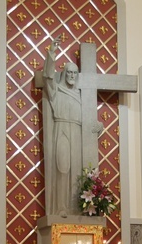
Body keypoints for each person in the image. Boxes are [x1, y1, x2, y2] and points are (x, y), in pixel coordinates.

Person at [43, 38, 101, 216]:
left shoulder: (82, 97)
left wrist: (98, 127)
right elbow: (47, 77)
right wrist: (52, 53)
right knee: (62, 167)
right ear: (64, 73)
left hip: (77, 133)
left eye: (74, 73)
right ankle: (60, 207)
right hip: (61, 130)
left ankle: (76, 208)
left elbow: (89, 121)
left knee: (77, 171)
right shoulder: (56, 91)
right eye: (68, 72)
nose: (71, 76)